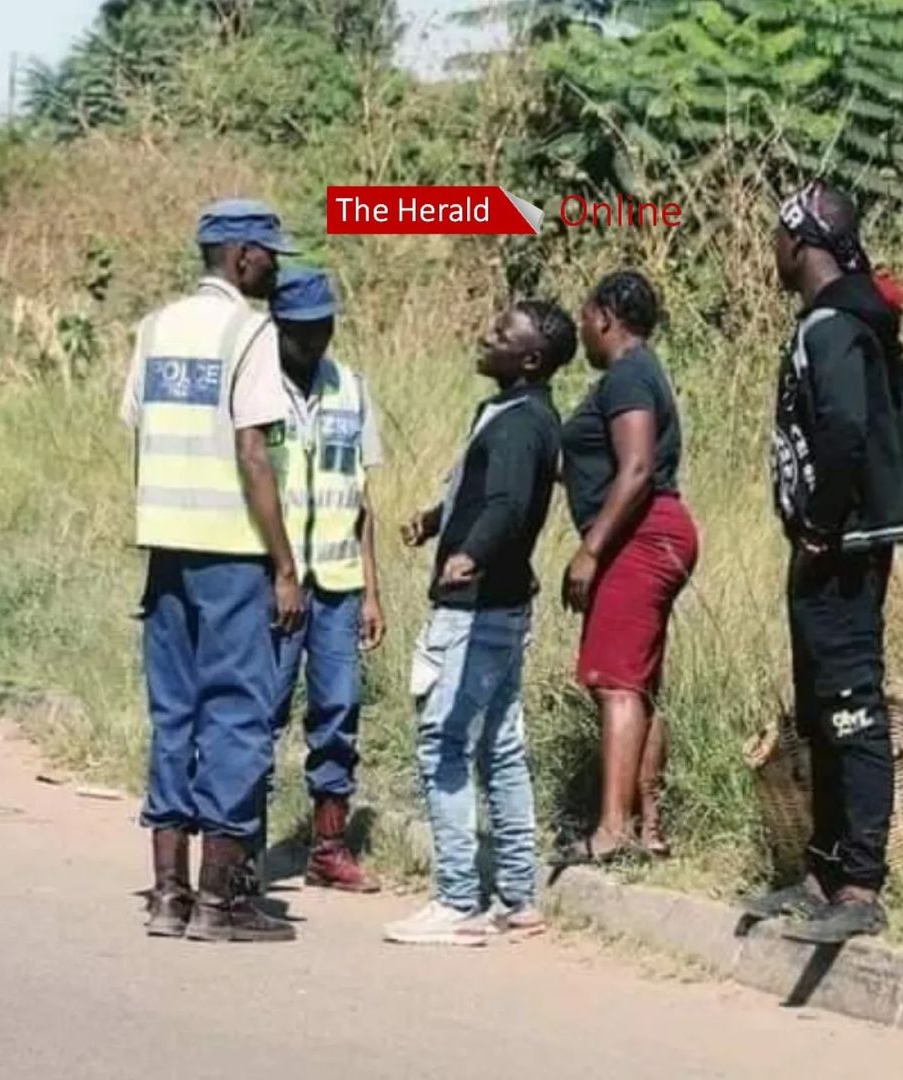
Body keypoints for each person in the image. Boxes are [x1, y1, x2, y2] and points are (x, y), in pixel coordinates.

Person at [121, 199, 306, 944]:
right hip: (232, 553)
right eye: (270, 253)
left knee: (174, 714)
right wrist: (285, 564)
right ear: (240, 257)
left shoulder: (155, 328)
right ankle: (222, 904)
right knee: (235, 715)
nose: (276, 265)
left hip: (164, 551)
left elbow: (141, 436)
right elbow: (252, 451)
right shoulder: (250, 332)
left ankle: (168, 895)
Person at [745, 180, 903, 944]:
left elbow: (852, 424)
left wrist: (827, 519)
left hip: (841, 548)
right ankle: (819, 872)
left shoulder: (831, 327)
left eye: (778, 239)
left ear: (800, 243)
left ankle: (859, 885)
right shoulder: (847, 322)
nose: (773, 253)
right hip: (833, 544)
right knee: (820, 705)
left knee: (851, 706)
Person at [384, 300, 577, 947]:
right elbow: (481, 491)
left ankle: (458, 900)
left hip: (477, 611)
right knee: (498, 744)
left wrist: (470, 554)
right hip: (498, 606)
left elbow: (509, 503)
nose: (485, 335)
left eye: (502, 334)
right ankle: (519, 898)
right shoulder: (506, 412)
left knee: (445, 743)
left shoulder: (525, 424)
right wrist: (437, 521)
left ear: (530, 360)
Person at [557, 270, 699, 865]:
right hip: (656, 533)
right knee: (636, 686)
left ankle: (612, 830)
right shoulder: (640, 372)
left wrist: (591, 549)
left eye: (587, 316)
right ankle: (648, 827)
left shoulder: (629, 374)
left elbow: (636, 468)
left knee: (616, 685)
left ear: (605, 317)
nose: (583, 329)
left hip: (640, 537)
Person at [266, 266, 386, 893]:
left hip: (337, 585)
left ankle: (328, 847)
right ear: (279, 328)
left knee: (338, 711)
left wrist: (371, 591)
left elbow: (363, 499)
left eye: (325, 328)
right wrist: (273, 574)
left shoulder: (352, 391)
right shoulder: (256, 391)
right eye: (304, 331)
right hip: (274, 584)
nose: (317, 341)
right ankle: (238, 847)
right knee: (262, 711)